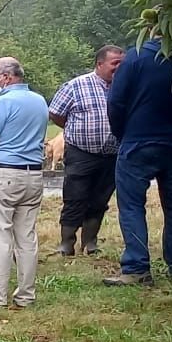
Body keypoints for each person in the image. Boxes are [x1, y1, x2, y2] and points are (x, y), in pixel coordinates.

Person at [105, 36, 172, 284]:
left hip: (138, 141)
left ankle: (136, 268)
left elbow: (116, 101)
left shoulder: (136, 57)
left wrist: (123, 133)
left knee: (131, 205)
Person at [0, 58, 50, 309]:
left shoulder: (3, 102)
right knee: (26, 237)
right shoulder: (39, 101)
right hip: (33, 174)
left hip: (4, 173)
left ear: (6, 78)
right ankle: (26, 295)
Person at [48, 45, 125, 256]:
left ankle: (90, 242)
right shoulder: (75, 86)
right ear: (100, 64)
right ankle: (67, 243)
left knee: (100, 199)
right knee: (75, 197)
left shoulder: (125, 86)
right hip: (81, 152)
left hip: (112, 154)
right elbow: (56, 113)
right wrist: (75, 130)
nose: (119, 68)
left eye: (122, 63)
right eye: (114, 63)